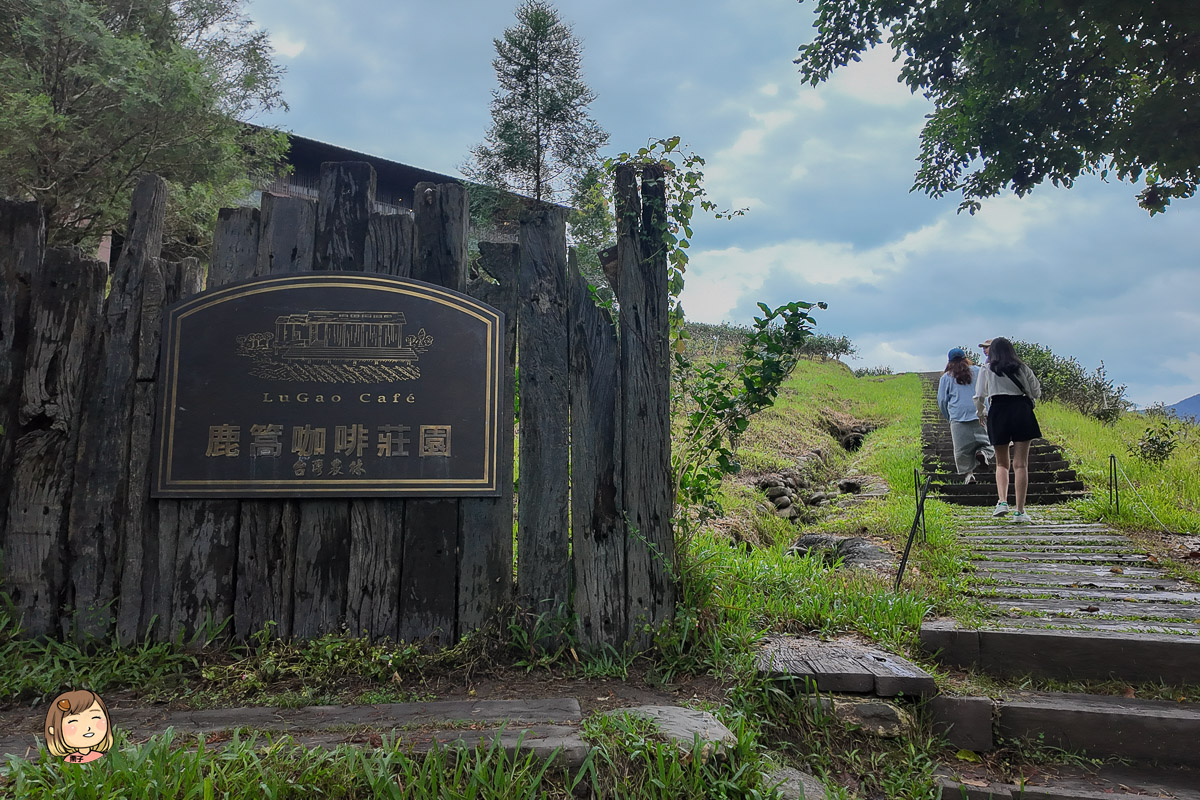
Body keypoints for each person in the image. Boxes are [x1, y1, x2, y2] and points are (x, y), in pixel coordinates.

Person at [974, 337, 1042, 523]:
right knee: (1021, 464)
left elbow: (980, 395)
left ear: (993, 351)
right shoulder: (1022, 367)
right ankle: (1020, 511)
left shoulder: (987, 369)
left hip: (998, 411)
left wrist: (981, 412)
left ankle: (1002, 501)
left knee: (1001, 463)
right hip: (1021, 410)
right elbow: (1036, 392)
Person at [937, 347, 994, 484]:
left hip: (958, 415)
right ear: (965, 358)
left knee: (962, 449)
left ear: (949, 361)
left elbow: (942, 400)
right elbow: (986, 392)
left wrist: (949, 416)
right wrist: (988, 411)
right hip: (978, 413)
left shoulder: (946, 377)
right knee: (987, 442)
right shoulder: (978, 370)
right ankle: (983, 454)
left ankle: (969, 475)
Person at [44, 690, 113, 764]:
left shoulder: (101, 757)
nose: (88, 728)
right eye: (73, 722)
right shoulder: (70, 760)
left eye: (95, 718)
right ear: (53, 730)